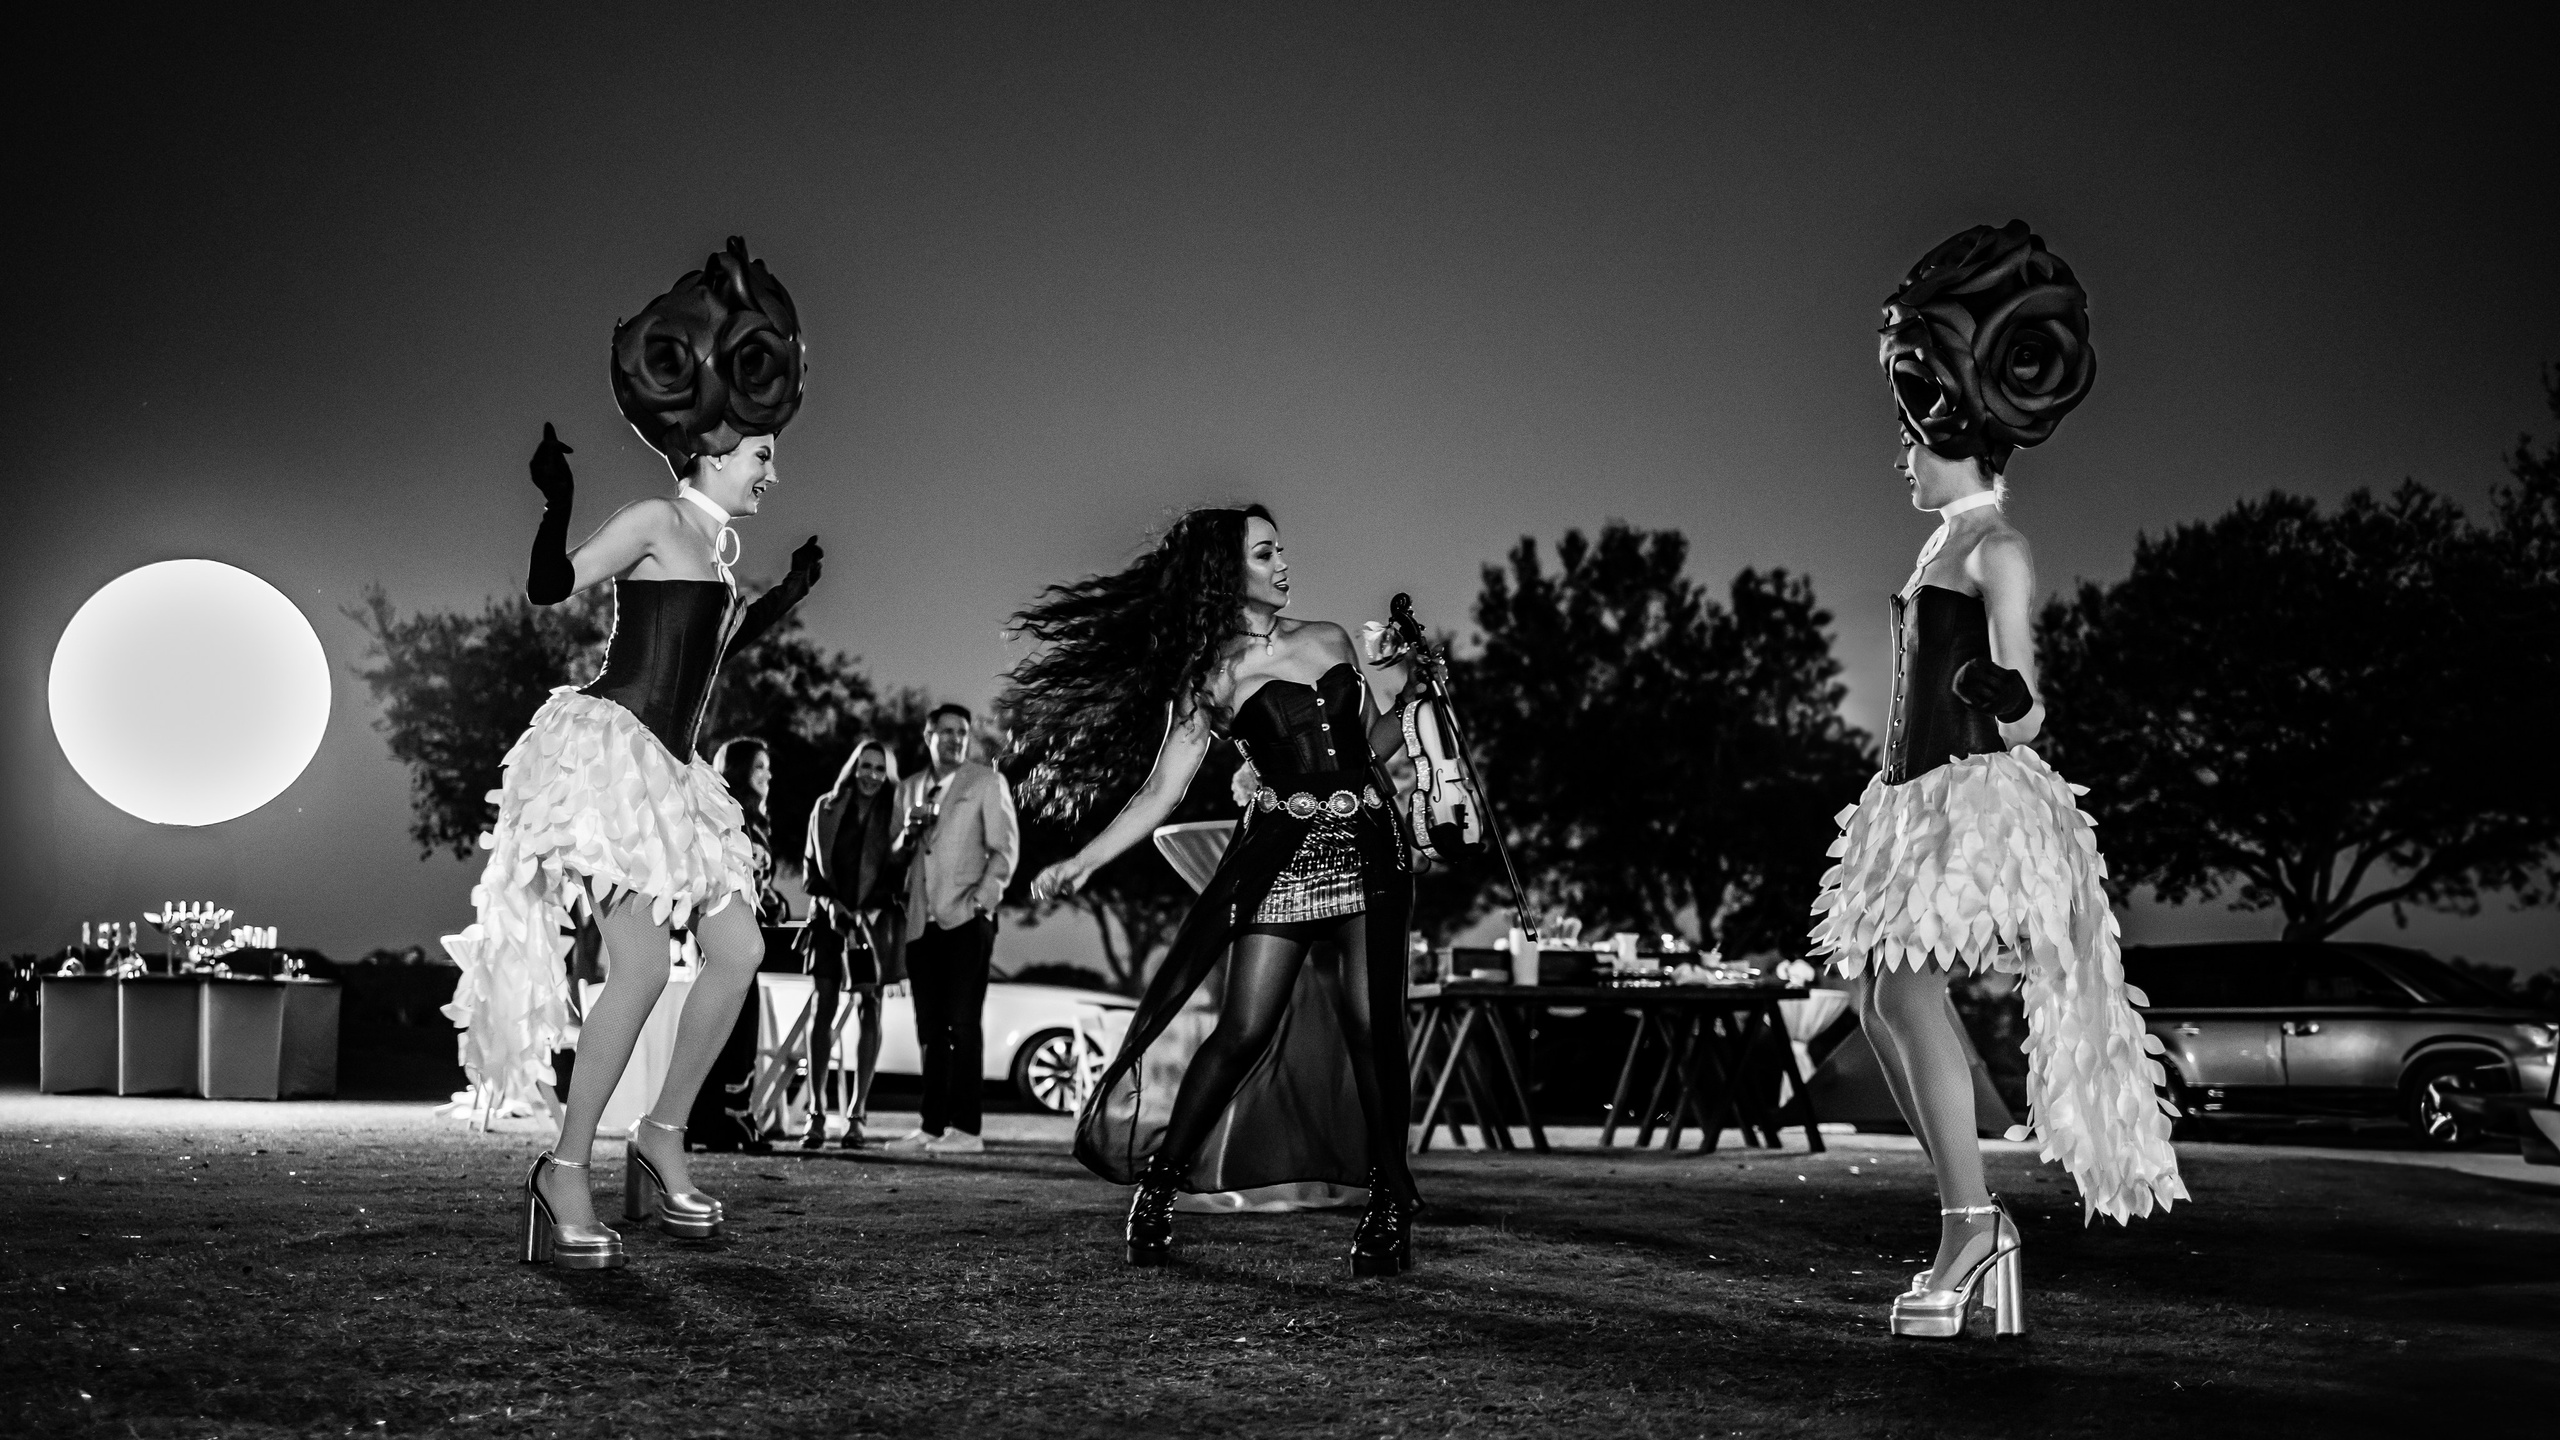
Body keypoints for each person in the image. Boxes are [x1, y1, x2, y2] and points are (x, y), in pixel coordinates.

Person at [1810, 220, 2184, 1337]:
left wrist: (1996, 688)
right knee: (1876, 994)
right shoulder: (1939, 546)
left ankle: (1971, 1226)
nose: (1899, 458)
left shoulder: (1996, 547)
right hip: (1908, 797)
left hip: (1970, 798)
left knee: (1902, 991)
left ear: (1950, 432)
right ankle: (1971, 1220)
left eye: (1908, 439)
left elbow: (2030, 714)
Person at [441, 237, 824, 1270]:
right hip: (615, 753)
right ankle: (562, 1170)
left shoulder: (717, 554)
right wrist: (554, 497)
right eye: (761, 455)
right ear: (715, 450)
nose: (771, 471)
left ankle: (660, 1139)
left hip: (677, 771)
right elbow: (550, 588)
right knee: (645, 966)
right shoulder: (656, 519)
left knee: (737, 952)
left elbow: (715, 647)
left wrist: (785, 596)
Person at [1016, 505, 1427, 1276]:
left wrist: (1409, 690)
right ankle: (1159, 1188)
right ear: (1224, 571)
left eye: (1281, 549)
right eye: (1264, 553)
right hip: (1281, 859)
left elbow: (1372, 746)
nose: (1283, 562)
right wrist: (1085, 861)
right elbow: (1160, 792)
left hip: (1371, 849)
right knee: (1243, 1030)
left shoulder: (1331, 638)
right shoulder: (1212, 675)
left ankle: (1387, 1209)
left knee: (1376, 1031)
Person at [882, 704, 1019, 1155]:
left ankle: (967, 1130)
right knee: (930, 1029)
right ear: (928, 736)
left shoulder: (985, 782)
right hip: (921, 924)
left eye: (962, 732)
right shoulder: (908, 788)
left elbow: (1004, 850)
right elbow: (894, 855)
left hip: (966, 920)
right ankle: (931, 1126)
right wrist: (907, 832)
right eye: (946, 731)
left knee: (963, 1025)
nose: (956, 738)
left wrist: (982, 903)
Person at [800, 738, 908, 1149]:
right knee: (822, 1007)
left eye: (880, 769)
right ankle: (816, 1114)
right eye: (866, 766)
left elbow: (900, 872)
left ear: (888, 774)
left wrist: (872, 910)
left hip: (875, 923)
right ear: (853, 767)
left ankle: (857, 1115)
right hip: (829, 920)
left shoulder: (895, 814)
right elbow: (811, 868)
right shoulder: (826, 807)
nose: (872, 776)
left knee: (870, 1007)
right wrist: (831, 905)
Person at [714, 737, 791, 927]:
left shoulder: (755, 822)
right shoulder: (727, 819)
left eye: (768, 768)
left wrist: (774, 902)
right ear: (739, 769)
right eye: (759, 767)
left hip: (750, 925)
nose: (768, 775)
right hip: (730, 927)